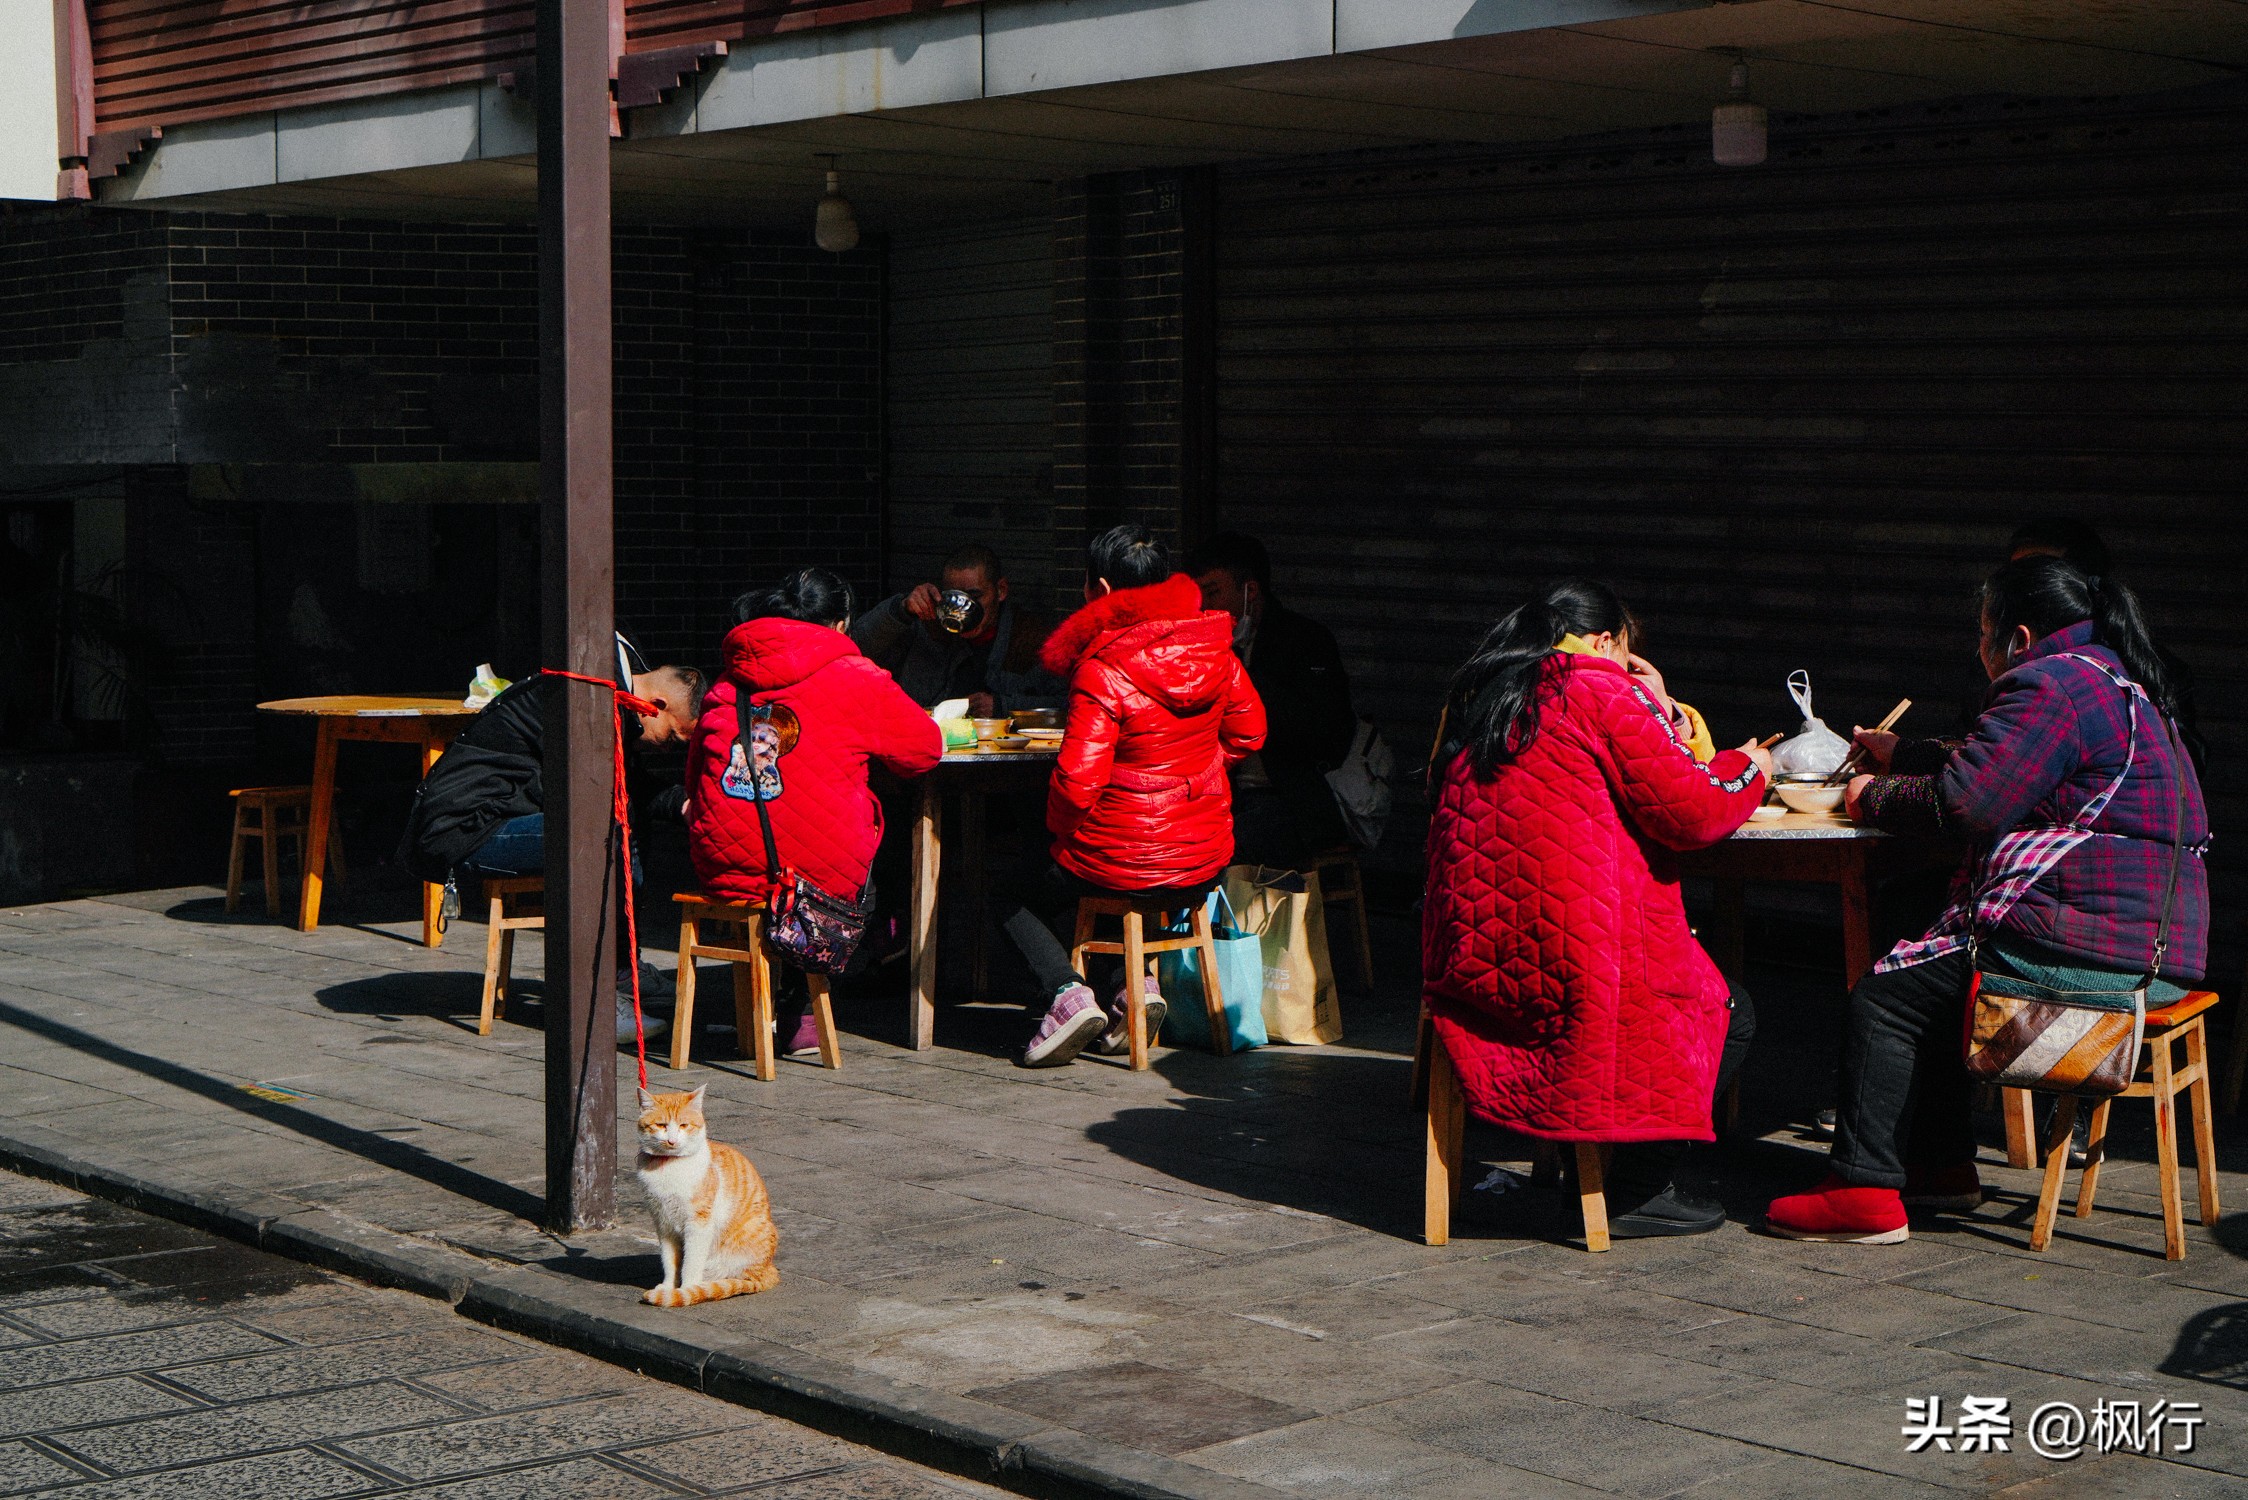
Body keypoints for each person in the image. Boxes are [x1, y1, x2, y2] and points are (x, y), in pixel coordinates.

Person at [1766, 557, 2210, 1243]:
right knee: (1921, 930)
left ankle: (1862, 1190)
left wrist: (1868, 794)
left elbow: (1968, 802)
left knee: (1886, 996)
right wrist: (1903, 752)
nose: (1980, 650)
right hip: (2155, 945)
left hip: (2092, 950)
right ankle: (1939, 1166)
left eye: (1983, 633)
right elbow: (2004, 763)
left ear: (2020, 637)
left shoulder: (2047, 683)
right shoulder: (2113, 679)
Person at [1422, 580, 1773, 1237]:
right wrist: (1749, 767)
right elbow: (1694, 809)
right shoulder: (1595, 686)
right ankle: (1634, 1190)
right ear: (1608, 641)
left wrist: (1657, 702)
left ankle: (1596, 1173)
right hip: (1575, 966)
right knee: (1729, 1009)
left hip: (1472, 964)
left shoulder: (1489, 691)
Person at [1003, 524, 1267, 1067]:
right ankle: (1133, 989)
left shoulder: (1103, 667)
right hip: (1204, 858)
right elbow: (1250, 732)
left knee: (1004, 879)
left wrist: (1061, 830)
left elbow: (1077, 784)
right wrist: (1199, 779)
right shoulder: (1214, 644)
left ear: (1098, 589)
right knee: (1092, 861)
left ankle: (1065, 995)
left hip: (1124, 860)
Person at [685, 568, 943, 1055]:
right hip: (818, 883)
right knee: (854, 868)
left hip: (724, 866)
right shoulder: (856, 676)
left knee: (794, 844)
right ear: (842, 625)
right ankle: (803, 1006)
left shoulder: (730, 676)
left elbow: (696, 769)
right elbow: (924, 750)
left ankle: (770, 1005)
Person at [400, 659, 704, 1041]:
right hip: (465, 828)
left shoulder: (604, 691)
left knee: (617, 826)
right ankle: (599, 999)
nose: (668, 748)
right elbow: (600, 787)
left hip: (498, 813)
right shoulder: (588, 699)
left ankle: (621, 972)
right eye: (673, 736)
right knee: (600, 840)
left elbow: (626, 785)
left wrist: (682, 804)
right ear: (655, 706)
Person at [1186, 531, 1356, 865]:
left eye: (1214, 592)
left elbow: (1326, 733)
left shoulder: (1305, 640)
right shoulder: (1203, 645)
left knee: (1214, 852)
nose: (1205, 606)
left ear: (1250, 591)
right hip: (1222, 797)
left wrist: (1244, 675)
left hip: (1291, 801)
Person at [850, 544, 1065, 717]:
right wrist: (900, 610)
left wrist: (1004, 706)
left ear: (1001, 590)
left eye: (975, 595)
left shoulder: (1030, 638)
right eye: (954, 596)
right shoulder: (927, 624)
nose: (963, 607)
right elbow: (855, 648)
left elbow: (1068, 703)